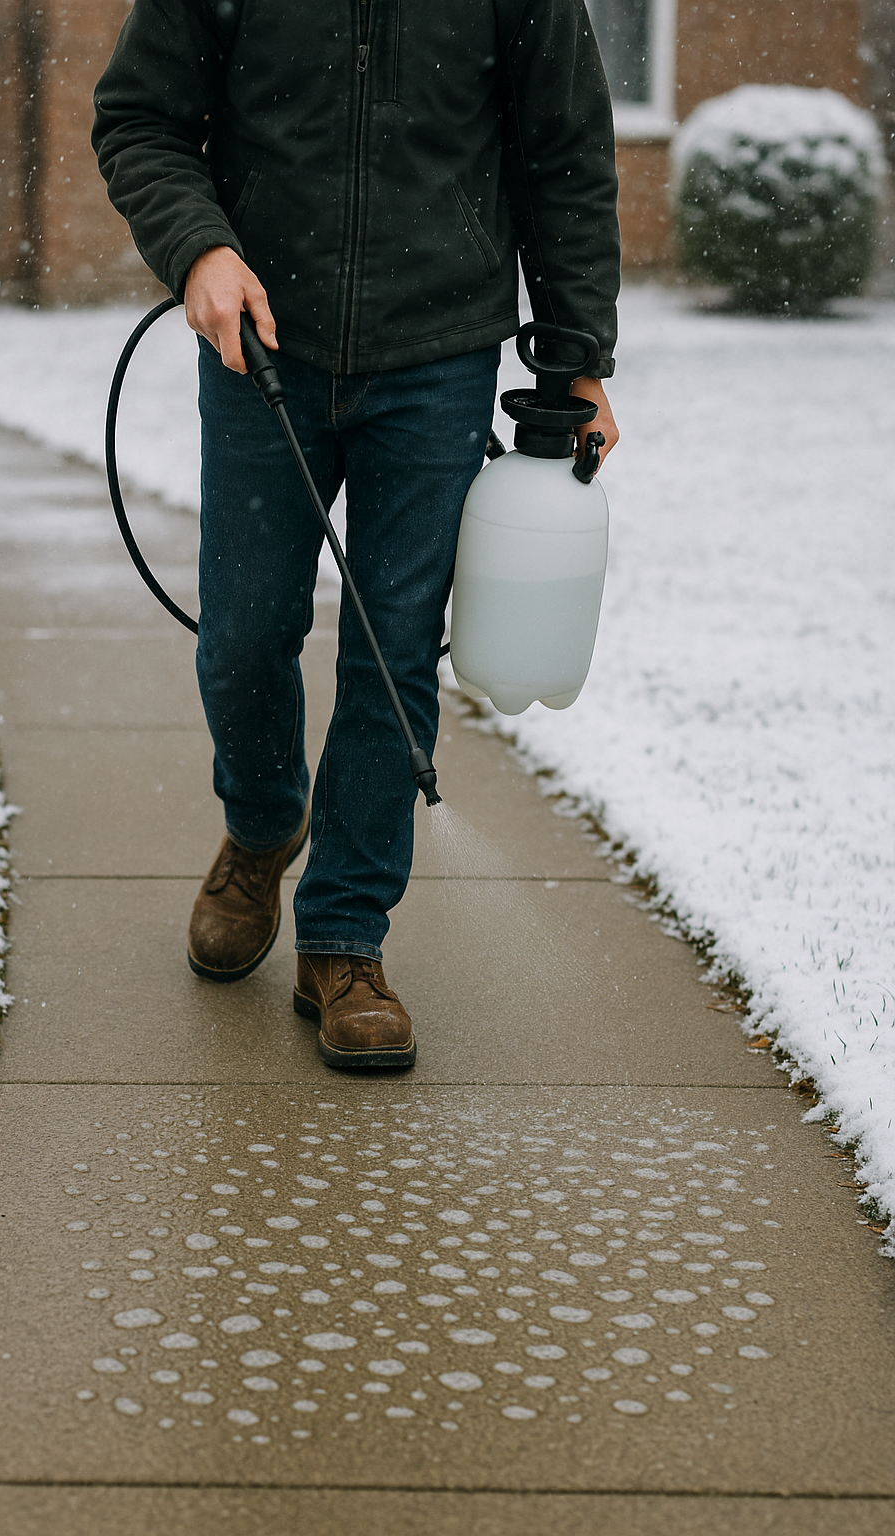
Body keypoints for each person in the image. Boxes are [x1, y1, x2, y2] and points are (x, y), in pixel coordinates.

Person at [93, 0, 620, 1073]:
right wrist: (199, 248)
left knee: (391, 653)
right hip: (263, 353)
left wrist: (572, 358)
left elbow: (561, 152)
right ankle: (262, 822)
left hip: (438, 357)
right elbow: (139, 120)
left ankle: (343, 939)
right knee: (243, 636)